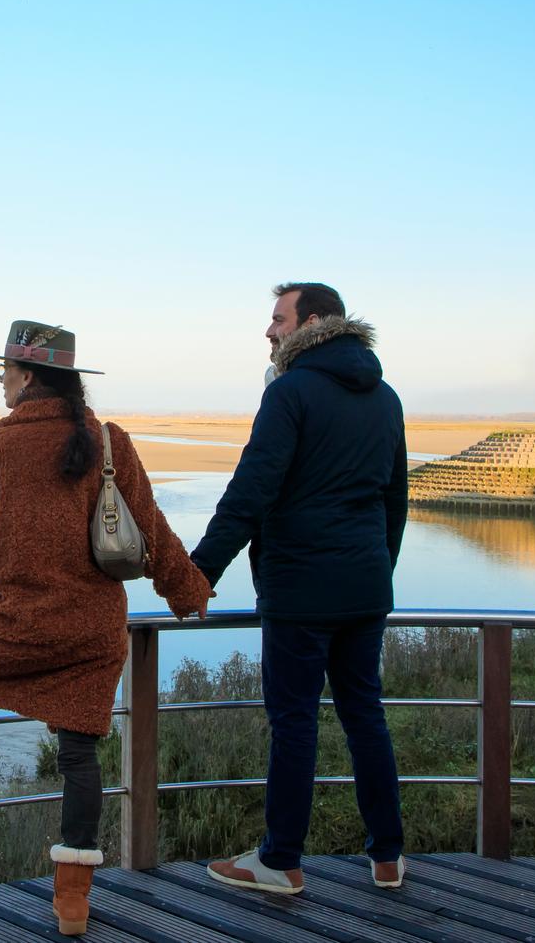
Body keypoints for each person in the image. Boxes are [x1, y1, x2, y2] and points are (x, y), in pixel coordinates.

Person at [0, 320, 212, 937]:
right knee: (79, 752)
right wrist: (186, 592)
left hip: (24, 622)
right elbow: (149, 529)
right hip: (99, 628)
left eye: (4, 373)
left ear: (25, 378)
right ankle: (72, 898)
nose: (1, 383)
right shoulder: (108, 440)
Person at [191, 282, 409, 894]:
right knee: (366, 717)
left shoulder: (290, 393)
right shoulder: (386, 397)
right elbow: (395, 501)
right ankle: (387, 857)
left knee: (294, 723)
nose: (268, 331)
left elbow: (250, 492)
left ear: (311, 322)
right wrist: (376, 571)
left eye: (277, 319)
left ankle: (281, 859)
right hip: (365, 589)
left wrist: (198, 574)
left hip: (301, 593)